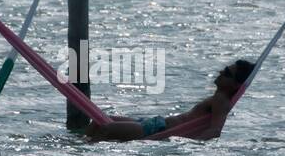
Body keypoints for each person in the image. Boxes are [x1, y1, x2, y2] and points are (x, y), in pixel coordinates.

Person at [84, 59, 254, 142]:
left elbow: (215, 130)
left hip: (156, 130)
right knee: (98, 122)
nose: (220, 72)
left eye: (227, 73)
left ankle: (84, 151)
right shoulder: (218, 98)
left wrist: (191, 144)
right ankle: (78, 144)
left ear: (235, 85)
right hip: (155, 123)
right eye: (224, 69)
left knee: (106, 129)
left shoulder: (221, 101)